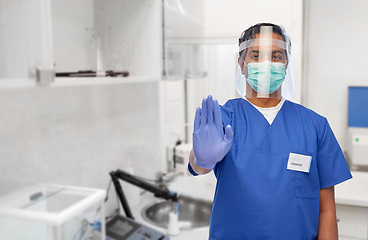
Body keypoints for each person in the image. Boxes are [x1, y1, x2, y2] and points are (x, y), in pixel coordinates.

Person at [188, 23, 352, 240]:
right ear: (241, 62)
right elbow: (197, 167)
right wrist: (202, 159)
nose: (267, 63)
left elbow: (327, 210)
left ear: (286, 63)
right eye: (256, 55)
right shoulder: (225, 118)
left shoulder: (314, 126)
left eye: (276, 56)